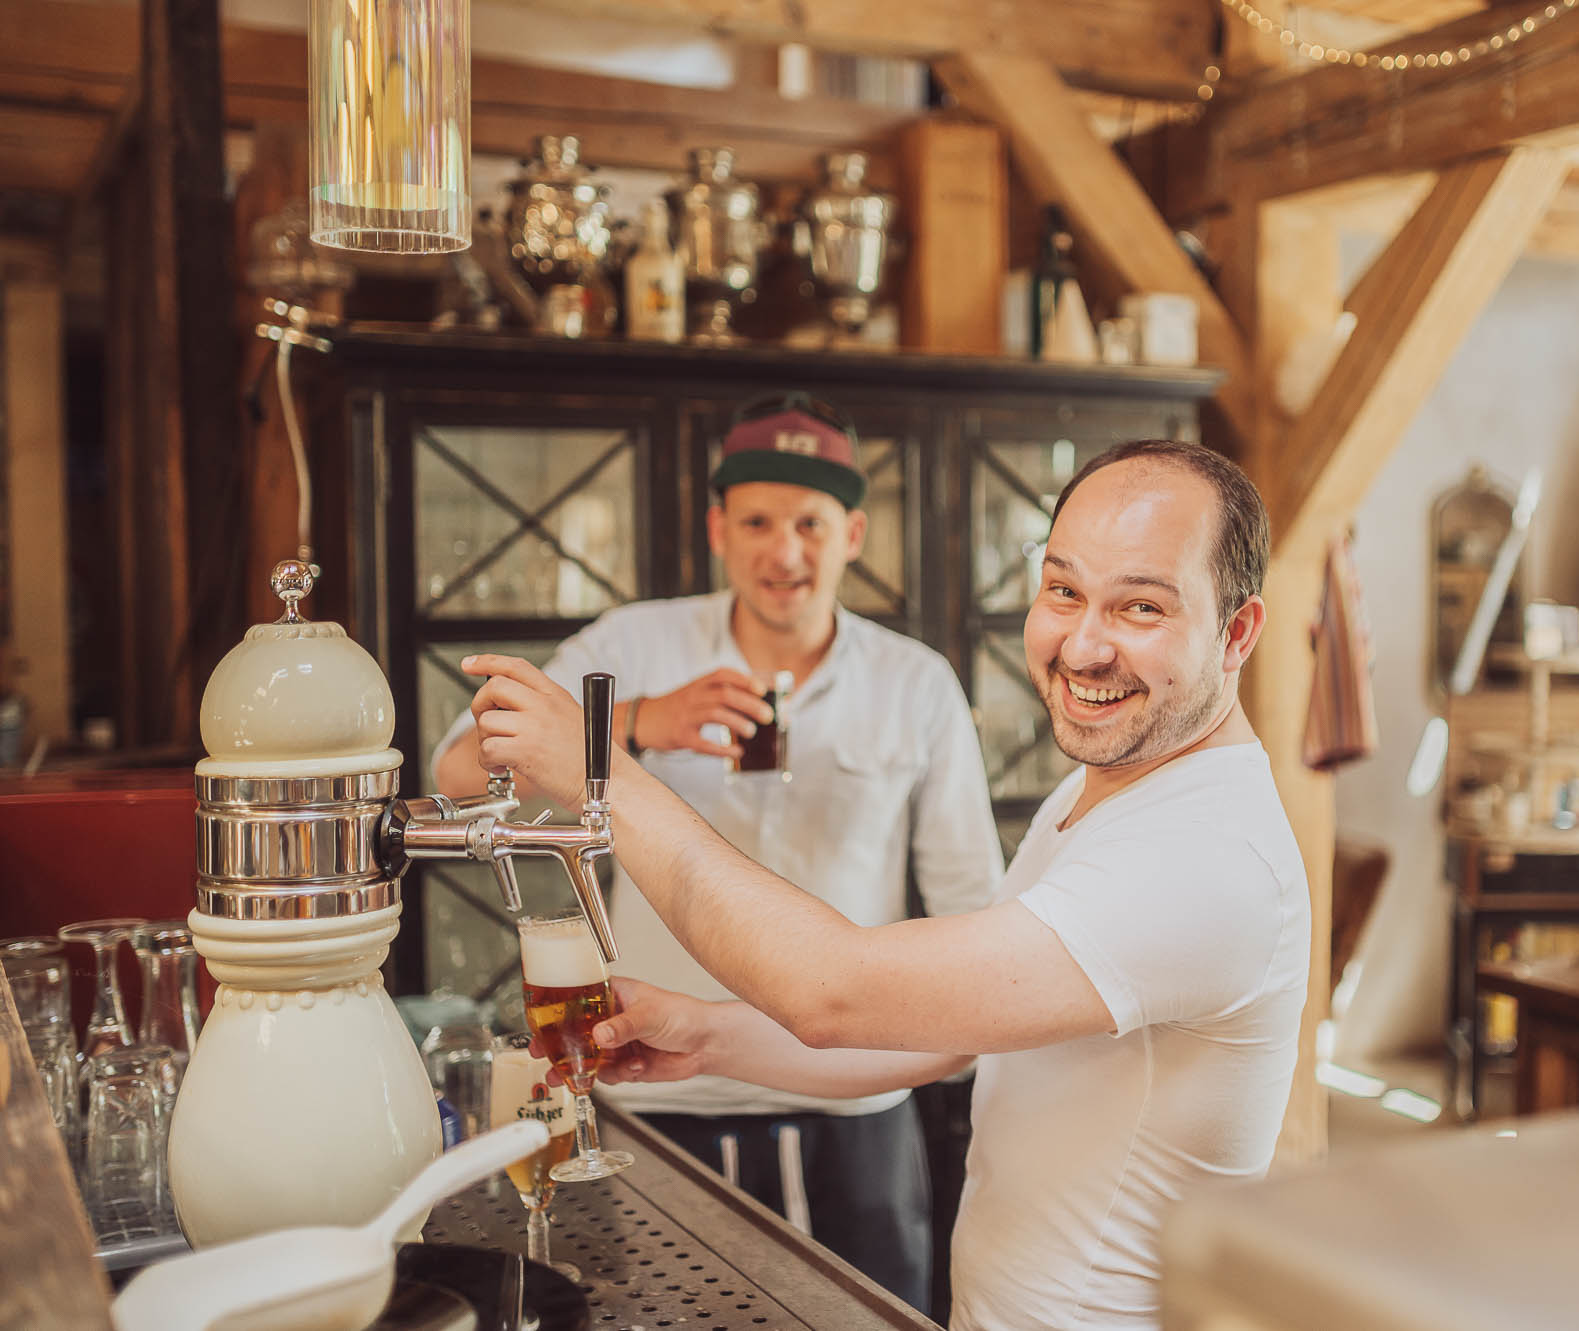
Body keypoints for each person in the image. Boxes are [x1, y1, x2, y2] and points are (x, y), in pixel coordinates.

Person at [461, 439, 1311, 1331]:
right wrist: (706, 1035)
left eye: (1140, 606)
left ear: (1237, 632)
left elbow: (834, 990)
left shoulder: (1205, 858)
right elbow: (948, 1036)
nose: (1084, 644)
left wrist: (612, 777)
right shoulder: (1106, 790)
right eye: (1064, 590)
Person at [431, 392, 1002, 1313]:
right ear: (717, 529)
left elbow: (971, 906)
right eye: (759, 521)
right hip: (652, 1102)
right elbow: (457, 766)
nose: (785, 552)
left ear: (853, 531)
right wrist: (641, 723)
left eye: (810, 523)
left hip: (852, 1107)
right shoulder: (637, 642)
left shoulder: (916, 683)